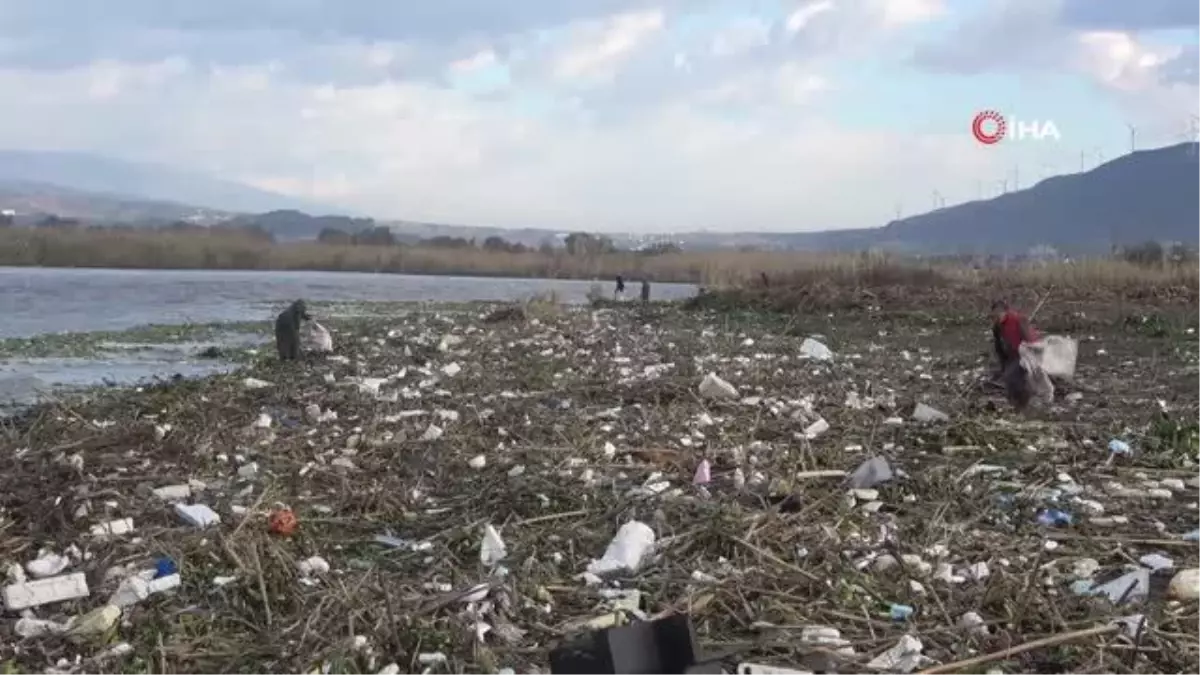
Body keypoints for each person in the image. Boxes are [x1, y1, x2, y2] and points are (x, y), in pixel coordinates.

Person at [991, 299, 1038, 375]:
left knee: (1012, 375)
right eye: (995, 315)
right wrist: (1004, 364)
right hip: (1013, 355)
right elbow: (998, 348)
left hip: (1026, 353)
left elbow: (1030, 341)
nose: (997, 317)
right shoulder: (997, 327)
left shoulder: (1018, 319)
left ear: (1005, 312)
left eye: (999, 313)